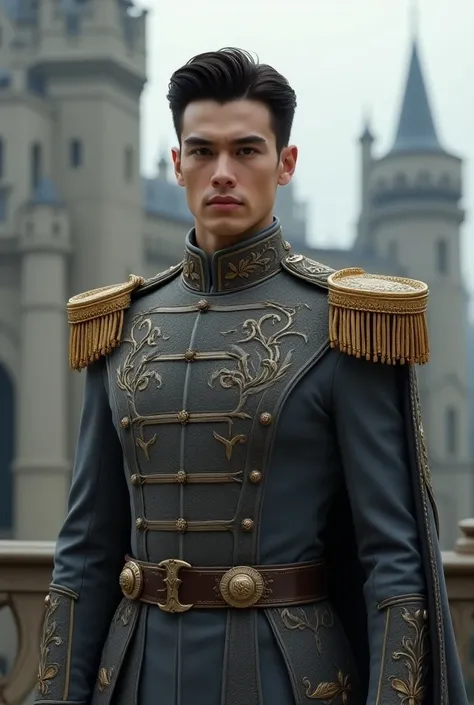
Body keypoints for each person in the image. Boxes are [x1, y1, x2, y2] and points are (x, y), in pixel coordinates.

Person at [34, 48, 467, 705]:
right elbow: (86, 552)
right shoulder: (118, 326)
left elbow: (394, 563)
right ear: (177, 162)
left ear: (285, 163)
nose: (223, 173)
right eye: (202, 151)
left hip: (286, 678)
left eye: (247, 150)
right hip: (132, 677)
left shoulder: (345, 323)